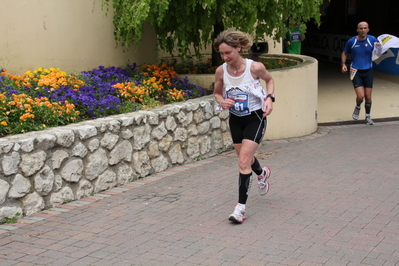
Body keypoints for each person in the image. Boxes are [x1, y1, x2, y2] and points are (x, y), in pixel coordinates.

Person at [213, 30, 275, 224]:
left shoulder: (254, 67)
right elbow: (216, 93)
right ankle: (262, 173)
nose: (225, 57)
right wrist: (222, 102)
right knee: (243, 158)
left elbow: (270, 80)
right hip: (236, 119)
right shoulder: (221, 71)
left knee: (243, 161)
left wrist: (269, 98)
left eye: (228, 53)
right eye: (222, 54)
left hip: (255, 117)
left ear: (238, 48)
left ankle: (240, 209)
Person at [341, 21, 381, 125]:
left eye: (365, 28)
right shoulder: (352, 41)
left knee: (368, 96)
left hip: (368, 71)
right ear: (357, 30)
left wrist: (379, 47)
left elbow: (378, 52)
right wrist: (343, 64)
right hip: (356, 71)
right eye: (361, 28)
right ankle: (358, 106)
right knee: (360, 96)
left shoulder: (372, 39)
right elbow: (344, 52)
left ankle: (368, 117)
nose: (363, 30)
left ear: (368, 29)